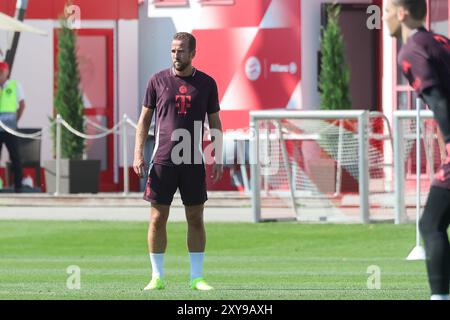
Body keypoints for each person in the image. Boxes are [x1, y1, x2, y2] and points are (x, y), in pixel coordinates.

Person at [133, 32, 223, 291]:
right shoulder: (157, 81)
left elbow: (215, 121)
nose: (176, 55)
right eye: (173, 50)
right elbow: (144, 121)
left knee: (195, 217)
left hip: (193, 159)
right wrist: (138, 153)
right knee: (157, 218)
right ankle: (156, 276)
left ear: (193, 53)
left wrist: (217, 152)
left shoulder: (207, 83)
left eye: (181, 51)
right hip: (163, 160)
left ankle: (197, 277)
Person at [384, 0, 450, 300]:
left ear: (402, 13)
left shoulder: (411, 51)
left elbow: (438, 101)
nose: (382, 18)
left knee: (430, 223)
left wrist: (448, 142)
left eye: (385, 12)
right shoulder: (441, 42)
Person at [0, 61, 25, 192]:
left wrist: (16, 120)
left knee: (15, 157)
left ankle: (18, 186)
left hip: (10, 128)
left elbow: (22, 105)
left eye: (1, 72)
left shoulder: (15, 85)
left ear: (6, 72)